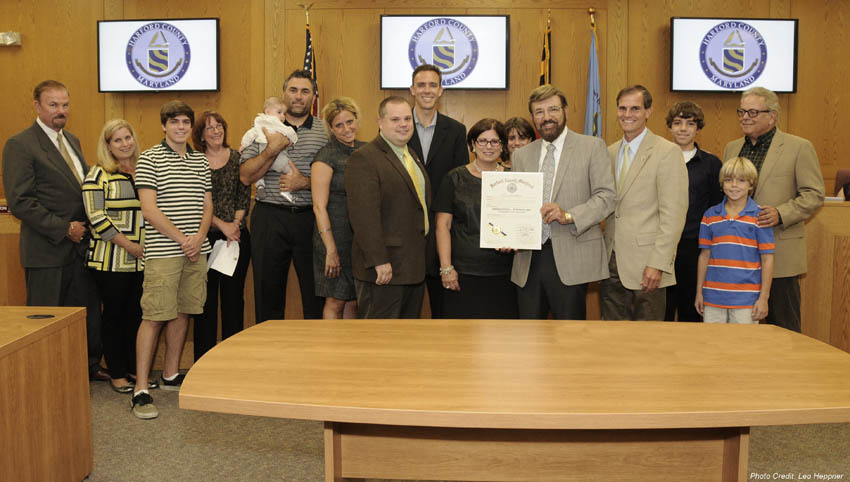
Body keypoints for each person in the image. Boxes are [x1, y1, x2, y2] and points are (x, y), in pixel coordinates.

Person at [2, 80, 106, 382]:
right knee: (46, 319)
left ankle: (86, 367)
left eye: (65, 105)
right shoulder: (20, 144)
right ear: (36, 106)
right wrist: (64, 228)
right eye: (53, 105)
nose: (61, 111)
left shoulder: (71, 139)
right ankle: (46, 377)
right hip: (47, 250)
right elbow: (20, 202)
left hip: (81, 247)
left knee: (85, 313)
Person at [132, 100, 212, 419]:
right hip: (165, 252)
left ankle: (170, 375)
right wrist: (182, 240)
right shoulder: (149, 159)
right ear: (164, 125)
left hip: (195, 252)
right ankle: (140, 388)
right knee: (154, 316)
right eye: (174, 122)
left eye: (186, 122)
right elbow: (149, 210)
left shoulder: (200, 161)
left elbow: (207, 206)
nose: (181, 127)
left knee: (183, 313)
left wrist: (198, 239)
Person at [723, 87, 825, 333]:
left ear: (773, 116)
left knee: (784, 330)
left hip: (780, 256)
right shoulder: (731, 148)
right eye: (742, 111)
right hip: (738, 258)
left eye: (753, 112)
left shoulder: (798, 147)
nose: (745, 117)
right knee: (738, 333)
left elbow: (814, 194)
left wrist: (781, 214)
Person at [510, 85, 616, 319]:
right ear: (533, 117)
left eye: (553, 109)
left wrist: (568, 215)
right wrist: (508, 234)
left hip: (571, 256)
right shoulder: (521, 155)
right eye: (539, 112)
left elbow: (606, 197)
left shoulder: (592, 147)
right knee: (528, 340)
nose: (546, 117)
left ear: (565, 110)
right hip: (528, 260)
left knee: (569, 340)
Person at [240, 69, 328, 322]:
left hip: (312, 220)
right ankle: (269, 358)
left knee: (316, 296)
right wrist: (271, 149)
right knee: (267, 295)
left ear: (313, 96)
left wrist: (306, 183)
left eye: (305, 91)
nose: (298, 96)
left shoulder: (326, 131)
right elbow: (245, 176)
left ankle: (317, 356)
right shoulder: (264, 127)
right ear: (284, 93)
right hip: (269, 217)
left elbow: (342, 179)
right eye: (293, 90)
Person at [600, 85, 688, 321]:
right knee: (611, 339)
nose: (627, 114)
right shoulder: (609, 152)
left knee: (648, 341)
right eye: (622, 108)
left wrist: (658, 264)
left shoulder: (667, 152)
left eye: (635, 108)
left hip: (648, 265)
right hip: (611, 262)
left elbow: (674, 216)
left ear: (648, 111)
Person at [346, 96, 431, 318]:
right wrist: (379, 260)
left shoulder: (409, 155)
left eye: (406, 119)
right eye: (395, 119)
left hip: (411, 267)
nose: (403, 124)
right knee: (379, 342)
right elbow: (364, 217)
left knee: (407, 341)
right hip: (384, 269)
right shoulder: (364, 158)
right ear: (380, 122)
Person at [82, 119, 146, 393]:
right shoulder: (98, 175)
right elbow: (98, 219)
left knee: (137, 316)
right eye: (117, 140)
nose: (124, 144)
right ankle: (117, 373)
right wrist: (130, 246)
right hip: (111, 260)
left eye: (127, 137)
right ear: (107, 145)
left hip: (142, 261)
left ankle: (135, 369)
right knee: (114, 317)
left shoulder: (144, 171)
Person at [434, 118, 518, 319]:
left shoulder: (515, 178)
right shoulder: (454, 178)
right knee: (462, 339)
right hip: (464, 273)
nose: (488, 146)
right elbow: (442, 226)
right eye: (482, 141)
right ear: (472, 144)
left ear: (503, 146)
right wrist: (446, 268)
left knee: (502, 339)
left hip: (505, 274)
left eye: (495, 141)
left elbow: (520, 221)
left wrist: (513, 239)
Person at [406, 64, 468, 319]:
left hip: (443, 230)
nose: (427, 90)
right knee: (406, 311)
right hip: (406, 231)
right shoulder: (397, 126)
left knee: (445, 311)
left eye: (433, 85)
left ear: (441, 90)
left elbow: (460, 183)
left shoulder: (455, 130)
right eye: (421, 85)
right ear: (412, 89)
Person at [191, 111, 252, 361]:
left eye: (219, 126)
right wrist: (221, 225)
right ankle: (203, 361)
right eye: (209, 128)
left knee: (233, 301)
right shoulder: (194, 161)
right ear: (201, 136)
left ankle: (232, 359)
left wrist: (234, 225)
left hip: (235, 239)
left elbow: (243, 195)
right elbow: (195, 202)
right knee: (204, 303)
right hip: (204, 238)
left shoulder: (238, 158)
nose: (216, 131)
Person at [695, 157, 775, 323]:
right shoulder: (710, 216)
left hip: (746, 300)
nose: (734, 185)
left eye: (741, 180)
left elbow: (767, 259)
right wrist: (699, 292)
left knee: (743, 347)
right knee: (712, 345)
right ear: (722, 184)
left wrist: (764, 298)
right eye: (728, 180)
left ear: (751, 184)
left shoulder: (761, 217)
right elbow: (704, 255)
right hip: (713, 297)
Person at [663, 101, 723, 322]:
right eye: (677, 123)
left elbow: (717, 208)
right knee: (662, 313)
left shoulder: (711, 164)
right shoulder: (658, 160)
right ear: (669, 127)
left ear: (698, 129)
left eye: (690, 124)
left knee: (692, 312)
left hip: (696, 248)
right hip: (662, 247)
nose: (683, 128)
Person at [311, 97, 365, 319]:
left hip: (358, 238)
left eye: (350, 122)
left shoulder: (366, 150)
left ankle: (350, 351)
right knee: (335, 299)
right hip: (333, 236)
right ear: (331, 129)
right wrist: (331, 249)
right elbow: (318, 207)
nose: (346, 129)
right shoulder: (326, 155)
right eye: (339, 125)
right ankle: (328, 352)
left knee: (353, 299)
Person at [240, 97, 298, 201]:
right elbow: (289, 132)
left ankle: (260, 186)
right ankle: (285, 191)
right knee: (290, 170)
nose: (282, 116)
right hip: (279, 159)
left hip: (263, 157)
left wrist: (243, 145)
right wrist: (292, 141)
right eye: (279, 112)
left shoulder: (258, 123)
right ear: (267, 111)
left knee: (260, 173)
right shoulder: (278, 124)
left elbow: (250, 134)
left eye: (284, 113)